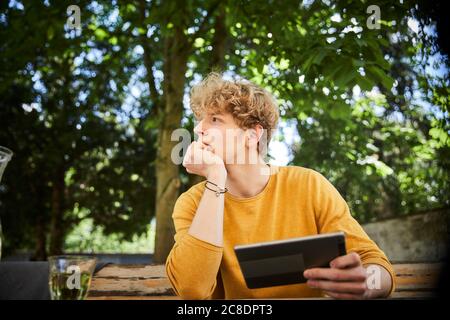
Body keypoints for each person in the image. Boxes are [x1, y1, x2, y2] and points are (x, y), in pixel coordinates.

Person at [165, 73, 395, 299]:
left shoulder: (309, 186)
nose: (198, 129)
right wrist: (215, 178)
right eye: (199, 119)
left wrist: (366, 283)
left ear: (252, 135)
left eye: (215, 119)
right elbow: (191, 290)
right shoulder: (193, 203)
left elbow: (375, 264)